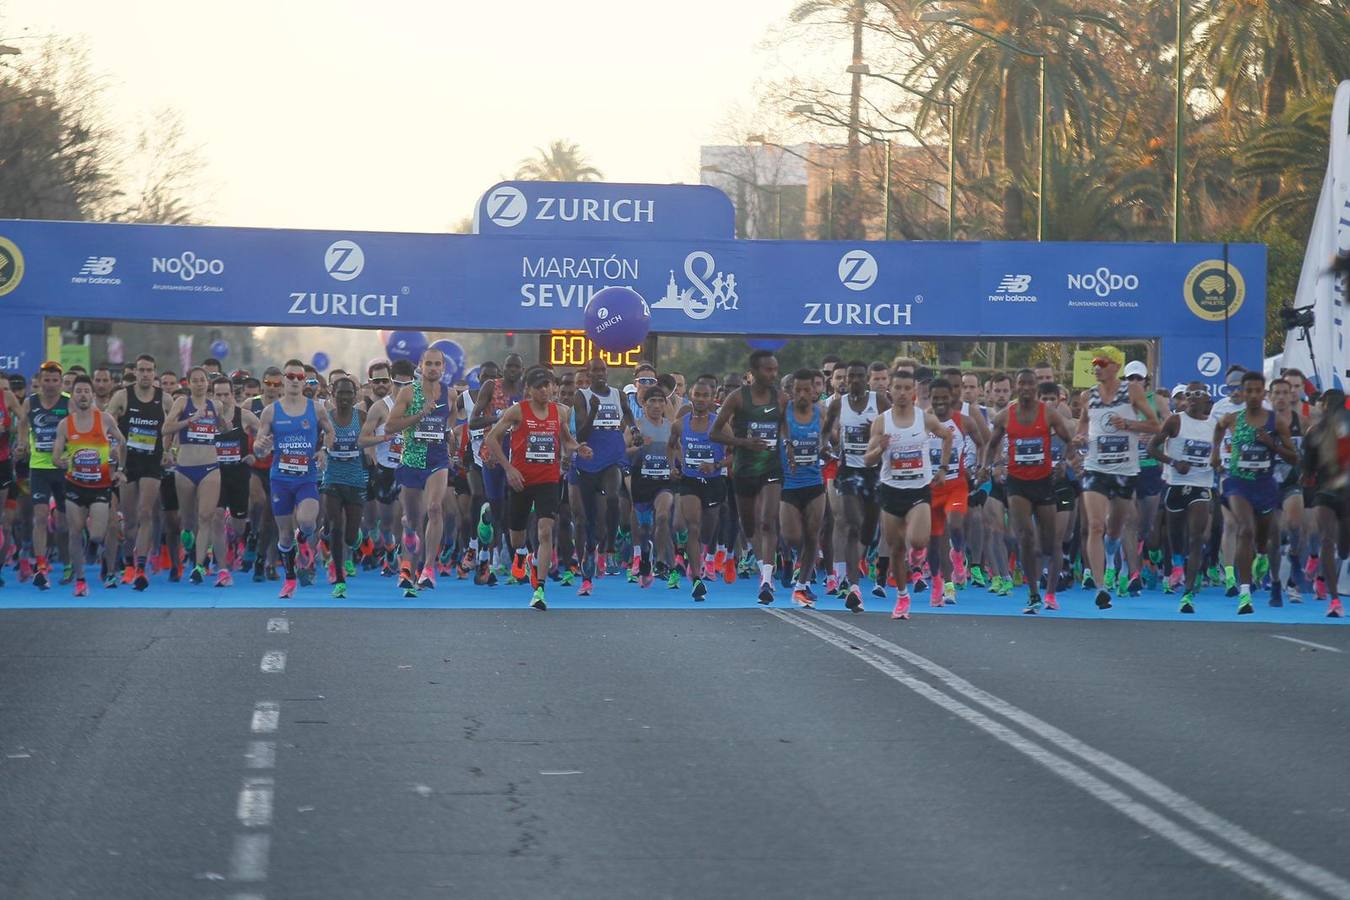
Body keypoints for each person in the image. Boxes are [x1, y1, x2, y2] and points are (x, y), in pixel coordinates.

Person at [483, 367, 589, 611]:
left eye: (548, 385)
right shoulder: (517, 410)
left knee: (544, 531)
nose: (545, 390)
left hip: (548, 480)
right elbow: (491, 439)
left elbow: (566, 440)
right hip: (521, 479)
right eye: (539, 386)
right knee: (517, 536)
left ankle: (539, 589)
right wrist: (509, 469)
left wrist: (577, 448)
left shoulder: (560, 411)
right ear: (529, 389)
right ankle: (524, 555)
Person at [1074, 346, 1160, 610]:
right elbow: (1082, 426)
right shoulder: (1088, 396)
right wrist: (1079, 439)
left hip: (1125, 470)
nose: (1097, 367)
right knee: (1096, 526)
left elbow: (1155, 424)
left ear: (1115, 366)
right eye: (1095, 363)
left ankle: (1111, 558)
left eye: (1102, 362)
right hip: (1096, 468)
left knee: (1114, 530)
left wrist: (1130, 425)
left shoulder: (1131, 391)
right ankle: (1101, 588)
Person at [863, 369, 952, 619]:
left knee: (918, 541)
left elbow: (947, 437)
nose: (902, 393)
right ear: (890, 390)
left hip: (918, 491)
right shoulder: (882, 421)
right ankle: (902, 597)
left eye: (906, 388)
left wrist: (943, 469)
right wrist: (879, 449)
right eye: (897, 388)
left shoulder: (924, 419)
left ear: (913, 392)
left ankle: (918, 555)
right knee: (896, 550)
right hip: (891, 491)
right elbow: (868, 460)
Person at [986, 369, 1075, 613]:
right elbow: (992, 444)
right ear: (1016, 387)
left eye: (1030, 384)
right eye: (1021, 384)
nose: (1025, 388)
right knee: (1025, 537)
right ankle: (1033, 593)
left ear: (1035, 387)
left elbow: (1069, 441)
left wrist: (1063, 463)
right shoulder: (1005, 416)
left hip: (1044, 482)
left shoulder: (1049, 415)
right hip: (1017, 483)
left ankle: (1051, 594)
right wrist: (991, 466)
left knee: (1049, 543)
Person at [1212, 371, 1297, 615]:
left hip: (1265, 484)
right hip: (1237, 482)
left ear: (1264, 393)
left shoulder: (1276, 422)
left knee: (1261, 540)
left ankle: (1260, 556)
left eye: (1256, 391)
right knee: (1245, 530)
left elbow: (1293, 457)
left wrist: (1271, 445)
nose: (1251, 395)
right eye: (1247, 390)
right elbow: (1218, 429)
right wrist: (1214, 453)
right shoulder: (1232, 418)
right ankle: (1245, 593)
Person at [253, 358, 335, 599]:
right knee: (285, 535)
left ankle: (304, 538)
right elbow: (258, 447)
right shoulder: (271, 411)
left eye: (302, 378)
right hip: (280, 479)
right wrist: (261, 446)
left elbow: (330, 432)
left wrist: (324, 451)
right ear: (282, 380)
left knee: (308, 522)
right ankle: (289, 580)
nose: (297, 381)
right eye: (291, 376)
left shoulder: (316, 409)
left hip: (306, 477)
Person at [713, 349, 785, 605]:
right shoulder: (737, 398)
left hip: (771, 468)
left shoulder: (781, 398)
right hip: (743, 470)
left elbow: (787, 432)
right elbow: (715, 433)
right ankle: (760, 560)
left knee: (768, 521)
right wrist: (743, 442)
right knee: (750, 524)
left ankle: (766, 578)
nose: (773, 374)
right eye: (768, 369)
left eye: (775, 369)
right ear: (753, 372)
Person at [385, 348, 456, 596]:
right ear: (421, 366)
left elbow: (450, 420)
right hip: (412, 461)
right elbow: (390, 425)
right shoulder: (408, 392)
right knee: (413, 520)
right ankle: (407, 567)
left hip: (437, 460)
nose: (433, 368)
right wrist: (418, 416)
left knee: (435, 509)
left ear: (444, 368)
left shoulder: (450, 394)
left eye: (438, 364)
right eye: (429, 364)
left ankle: (428, 569)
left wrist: (450, 435)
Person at [50, 375, 126, 595]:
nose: (83, 395)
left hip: (100, 485)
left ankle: (94, 546)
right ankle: (81, 580)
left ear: (92, 395)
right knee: (74, 531)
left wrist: (119, 468)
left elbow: (121, 442)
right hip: (74, 485)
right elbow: (56, 456)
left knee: (97, 533)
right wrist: (60, 461)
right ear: (73, 396)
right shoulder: (66, 424)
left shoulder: (105, 419)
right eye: (79, 391)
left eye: (86, 391)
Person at [822, 360, 888, 607]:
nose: (855, 380)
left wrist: (877, 433)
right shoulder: (839, 404)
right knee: (852, 525)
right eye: (851, 376)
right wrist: (825, 447)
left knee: (868, 529)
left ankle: (856, 569)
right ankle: (853, 587)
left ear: (867, 378)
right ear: (846, 379)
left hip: (874, 471)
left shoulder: (879, 402)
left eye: (861, 376)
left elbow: (894, 425)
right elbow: (826, 431)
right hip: (848, 470)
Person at [1149, 381, 1214, 613]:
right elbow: (1151, 448)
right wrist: (1174, 462)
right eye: (1190, 395)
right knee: (1174, 535)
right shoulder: (1176, 421)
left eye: (1199, 394)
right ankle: (1177, 561)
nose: (1194, 398)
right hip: (1176, 484)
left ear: (1208, 399)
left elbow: (1220, 453)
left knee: (1197, 537)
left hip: (1201, 484)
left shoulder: (1215, 425)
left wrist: (1219, 463)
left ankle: (1187, 593)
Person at [105, 354, 167, 590]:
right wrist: (111, 447)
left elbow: (173, 425)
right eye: (141, 370)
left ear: (154, 373)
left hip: (151, 462)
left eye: (149, 370)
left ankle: (141, 567)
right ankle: (129, 563)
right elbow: (107, 422)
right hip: (128, 462)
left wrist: (170, 448)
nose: (145, 374)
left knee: (145, 513)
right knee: (129, 520)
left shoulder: (165, 399)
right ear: (136, 372)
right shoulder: (123, 396)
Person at [572, 357, 637, 582]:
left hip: (612, 457)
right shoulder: (582, 396)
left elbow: (628, 412)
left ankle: (610, 550)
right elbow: (581, 436)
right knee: (589, 516)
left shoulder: (617, 394)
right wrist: (593, 412)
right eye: (595, 370)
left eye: (603, 369)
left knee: (612, 498)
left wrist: (635, 429)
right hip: (589, 460)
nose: (600, 373)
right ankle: (591, 550)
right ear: (588, 375)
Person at [927, 377, 988, 606]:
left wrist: (981, 467)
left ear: (952, 397)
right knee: (937, 541)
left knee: (955, 524)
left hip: (955, 485)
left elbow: (982, 444)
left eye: (945, 397)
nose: (941, 402)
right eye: (936, 398)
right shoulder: (924, 420)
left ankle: (959, 553)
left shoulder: (964, 421)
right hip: (931, 489)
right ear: (930, 398)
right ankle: (946, 586)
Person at [162, 367, 223, 585]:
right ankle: (188, 536)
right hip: (185, 468)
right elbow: (165, 429)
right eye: (194, 380)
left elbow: (225, 428)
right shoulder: (181, 403)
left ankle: (198, 566)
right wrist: (190, 421)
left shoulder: (215, 405)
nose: (199, 384)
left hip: (210, 466)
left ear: (208, 383)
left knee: (206, 516)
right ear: (188, 383)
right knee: (187, 520)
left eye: (202, 380)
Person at [671, 377, 726, 602]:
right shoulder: (680, 423)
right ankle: (696, 577)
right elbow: (671, 444)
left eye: (705, 396)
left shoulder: (720, 424)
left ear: (712, 399)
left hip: (713, 481)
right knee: (693, 526)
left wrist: (716, 465)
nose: (701, 399)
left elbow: (734, 454)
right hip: (690, 480)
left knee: (707, 530)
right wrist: (673, 465)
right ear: (690, 397)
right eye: (697, 395)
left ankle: (700, 557)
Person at [22, 361, 70, 590]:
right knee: (39, 516)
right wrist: (22, 444)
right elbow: (23, 424)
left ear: (60, 383)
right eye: (46, 380)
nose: (50, 385)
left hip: (63, 468)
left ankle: (69, 562)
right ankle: (40, 566)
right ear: (39, 382)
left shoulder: (68, 402)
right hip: (39, 467)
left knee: (64, 523)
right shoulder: (30, 402)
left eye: (54, 380)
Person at [361, 359, 411, 577]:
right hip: (385, 470)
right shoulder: (380, 407)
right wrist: (383, 438)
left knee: (406, 518)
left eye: (406, 385)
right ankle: (390, 548)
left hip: (408, 468)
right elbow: (362, 440)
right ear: (392, 382)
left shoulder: (417, 404)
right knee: (387, 522)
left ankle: (404, 562)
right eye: (397, 384)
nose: (401, 389)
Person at [781, 369, 827, 608]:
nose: (802, 394)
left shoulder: (821, 413)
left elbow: (831, 440)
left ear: (815, 391)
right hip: (788, 484)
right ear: (791, 391)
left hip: (814, 483)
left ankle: (801, 586)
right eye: (797, 390)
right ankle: (799, 562)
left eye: (807, 390)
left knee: (812, 535)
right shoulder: (783, 412)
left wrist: (828, 447)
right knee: (792, 536)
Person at [1302, 388, 1349, 617]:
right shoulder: (1314, 433)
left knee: (1344, 549)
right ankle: (1334, 600)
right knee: (1327, 541)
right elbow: (1307, 471)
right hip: (1325, 494)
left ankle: (1320, 564)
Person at [323, 375, 372, 599]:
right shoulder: (326, 417)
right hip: (332, 477)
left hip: (355, 479)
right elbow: (317, 440)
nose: (344, 397)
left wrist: (371, 452)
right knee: (335, 526)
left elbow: (370, 439)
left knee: (351, 537)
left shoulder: (361, 417)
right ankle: (340, 578)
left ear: (355, 396)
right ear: (333, 394)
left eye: (348, 393)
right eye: (340, 393)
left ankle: (357, 538)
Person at [210, 375, 261, 587]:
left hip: (239, 473)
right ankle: (222, 569)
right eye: (218, 394)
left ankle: (235, 532)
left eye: (226, 394)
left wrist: (255, 455)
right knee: (217, 517)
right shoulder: (205, 417)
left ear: (233, 395)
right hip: (214, 473)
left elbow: (266, 436)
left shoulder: (245, 416)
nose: (222, 399)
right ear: (212, 396)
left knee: (239, 526)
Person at [626, 385, 678, 587]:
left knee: (663, 516)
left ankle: (663, 562)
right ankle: (646, 554)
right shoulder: (636, 426)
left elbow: (678, 450)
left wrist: (676, 468)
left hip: (664, 483)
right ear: (643, 404)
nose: (657, 406)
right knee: (645, 527)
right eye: (652, 402)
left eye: (660, 401)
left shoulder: (671, 426)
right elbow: (622, 452)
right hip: (642, 482)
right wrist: (639, 446)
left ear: (665, 404)